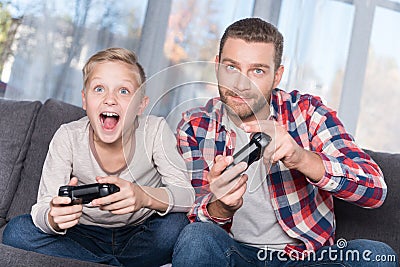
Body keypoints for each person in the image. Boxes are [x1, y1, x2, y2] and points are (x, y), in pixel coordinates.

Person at [173, 18, 397, 266]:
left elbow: (375, 189)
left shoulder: (308, 112)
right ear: (217, 66)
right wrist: (222, 207)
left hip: (307, 259)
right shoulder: (195, 126)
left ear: (277, 75)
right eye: (231, 68)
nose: (240, 84)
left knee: (376, 255)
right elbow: (193, 215)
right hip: (236, 255)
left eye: (257, 70)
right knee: (196, 237)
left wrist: (301, 158)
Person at [2, 47, 195, 266]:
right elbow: (43, 206)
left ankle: (96, 263)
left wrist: (144, 196)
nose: (110, 99)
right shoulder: (68, 136)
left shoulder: (155, 131)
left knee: (175, 226)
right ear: (85, 100)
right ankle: (112, 263)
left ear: (141, 105)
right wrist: (53, 219)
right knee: (18, 231)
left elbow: (187, 196)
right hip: (82, 235)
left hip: (140, 235)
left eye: (123, 91)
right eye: (99, 89)